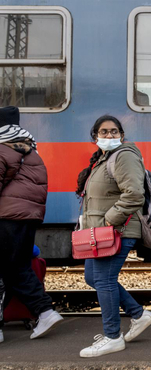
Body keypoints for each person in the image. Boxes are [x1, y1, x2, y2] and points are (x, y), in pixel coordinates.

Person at [75, 115, 151, 357]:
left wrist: (109, 220)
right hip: (99, 231)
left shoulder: (124, 155)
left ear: (121, 134)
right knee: (93, 277)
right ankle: (140, 315)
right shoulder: (104, 159)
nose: (109, 136)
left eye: (114, 131)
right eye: (104, 131)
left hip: (115, 230)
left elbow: (134, 194)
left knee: (104, 280)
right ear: (95, 136)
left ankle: (112, 337)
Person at [0, 106, 63, 343]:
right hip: (27, 217)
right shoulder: (28, 148)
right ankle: (45, 312)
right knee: (16, 268)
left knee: (11, 269)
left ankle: (44, 311)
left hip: (7, 217)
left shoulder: (2, 149)